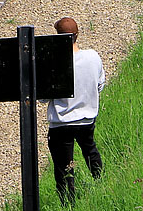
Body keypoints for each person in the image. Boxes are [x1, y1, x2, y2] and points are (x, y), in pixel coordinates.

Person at [47, 17, 105, 204]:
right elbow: (100, 85)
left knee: (63, 166)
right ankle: (101, 183)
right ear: (77, 35)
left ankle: (67, 201)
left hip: (61, 123)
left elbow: (42, 97)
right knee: (90, 151)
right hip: (87, 119)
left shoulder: (54, 63)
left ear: (57, 37)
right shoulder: (93, 57)